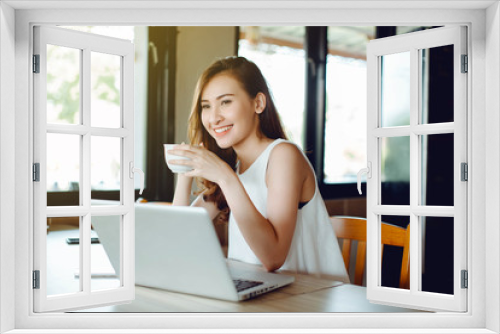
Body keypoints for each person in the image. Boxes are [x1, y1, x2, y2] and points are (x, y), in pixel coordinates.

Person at [169, 56, 349, 282]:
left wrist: (226, 178)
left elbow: (273, 258)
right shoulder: (231, 167)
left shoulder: (283, 156)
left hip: (308, 298)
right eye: (206, 106)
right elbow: (178, 238)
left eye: (225, 102)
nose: (213, 117)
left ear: (258, 103)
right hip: (257, 292)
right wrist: (185, 175)